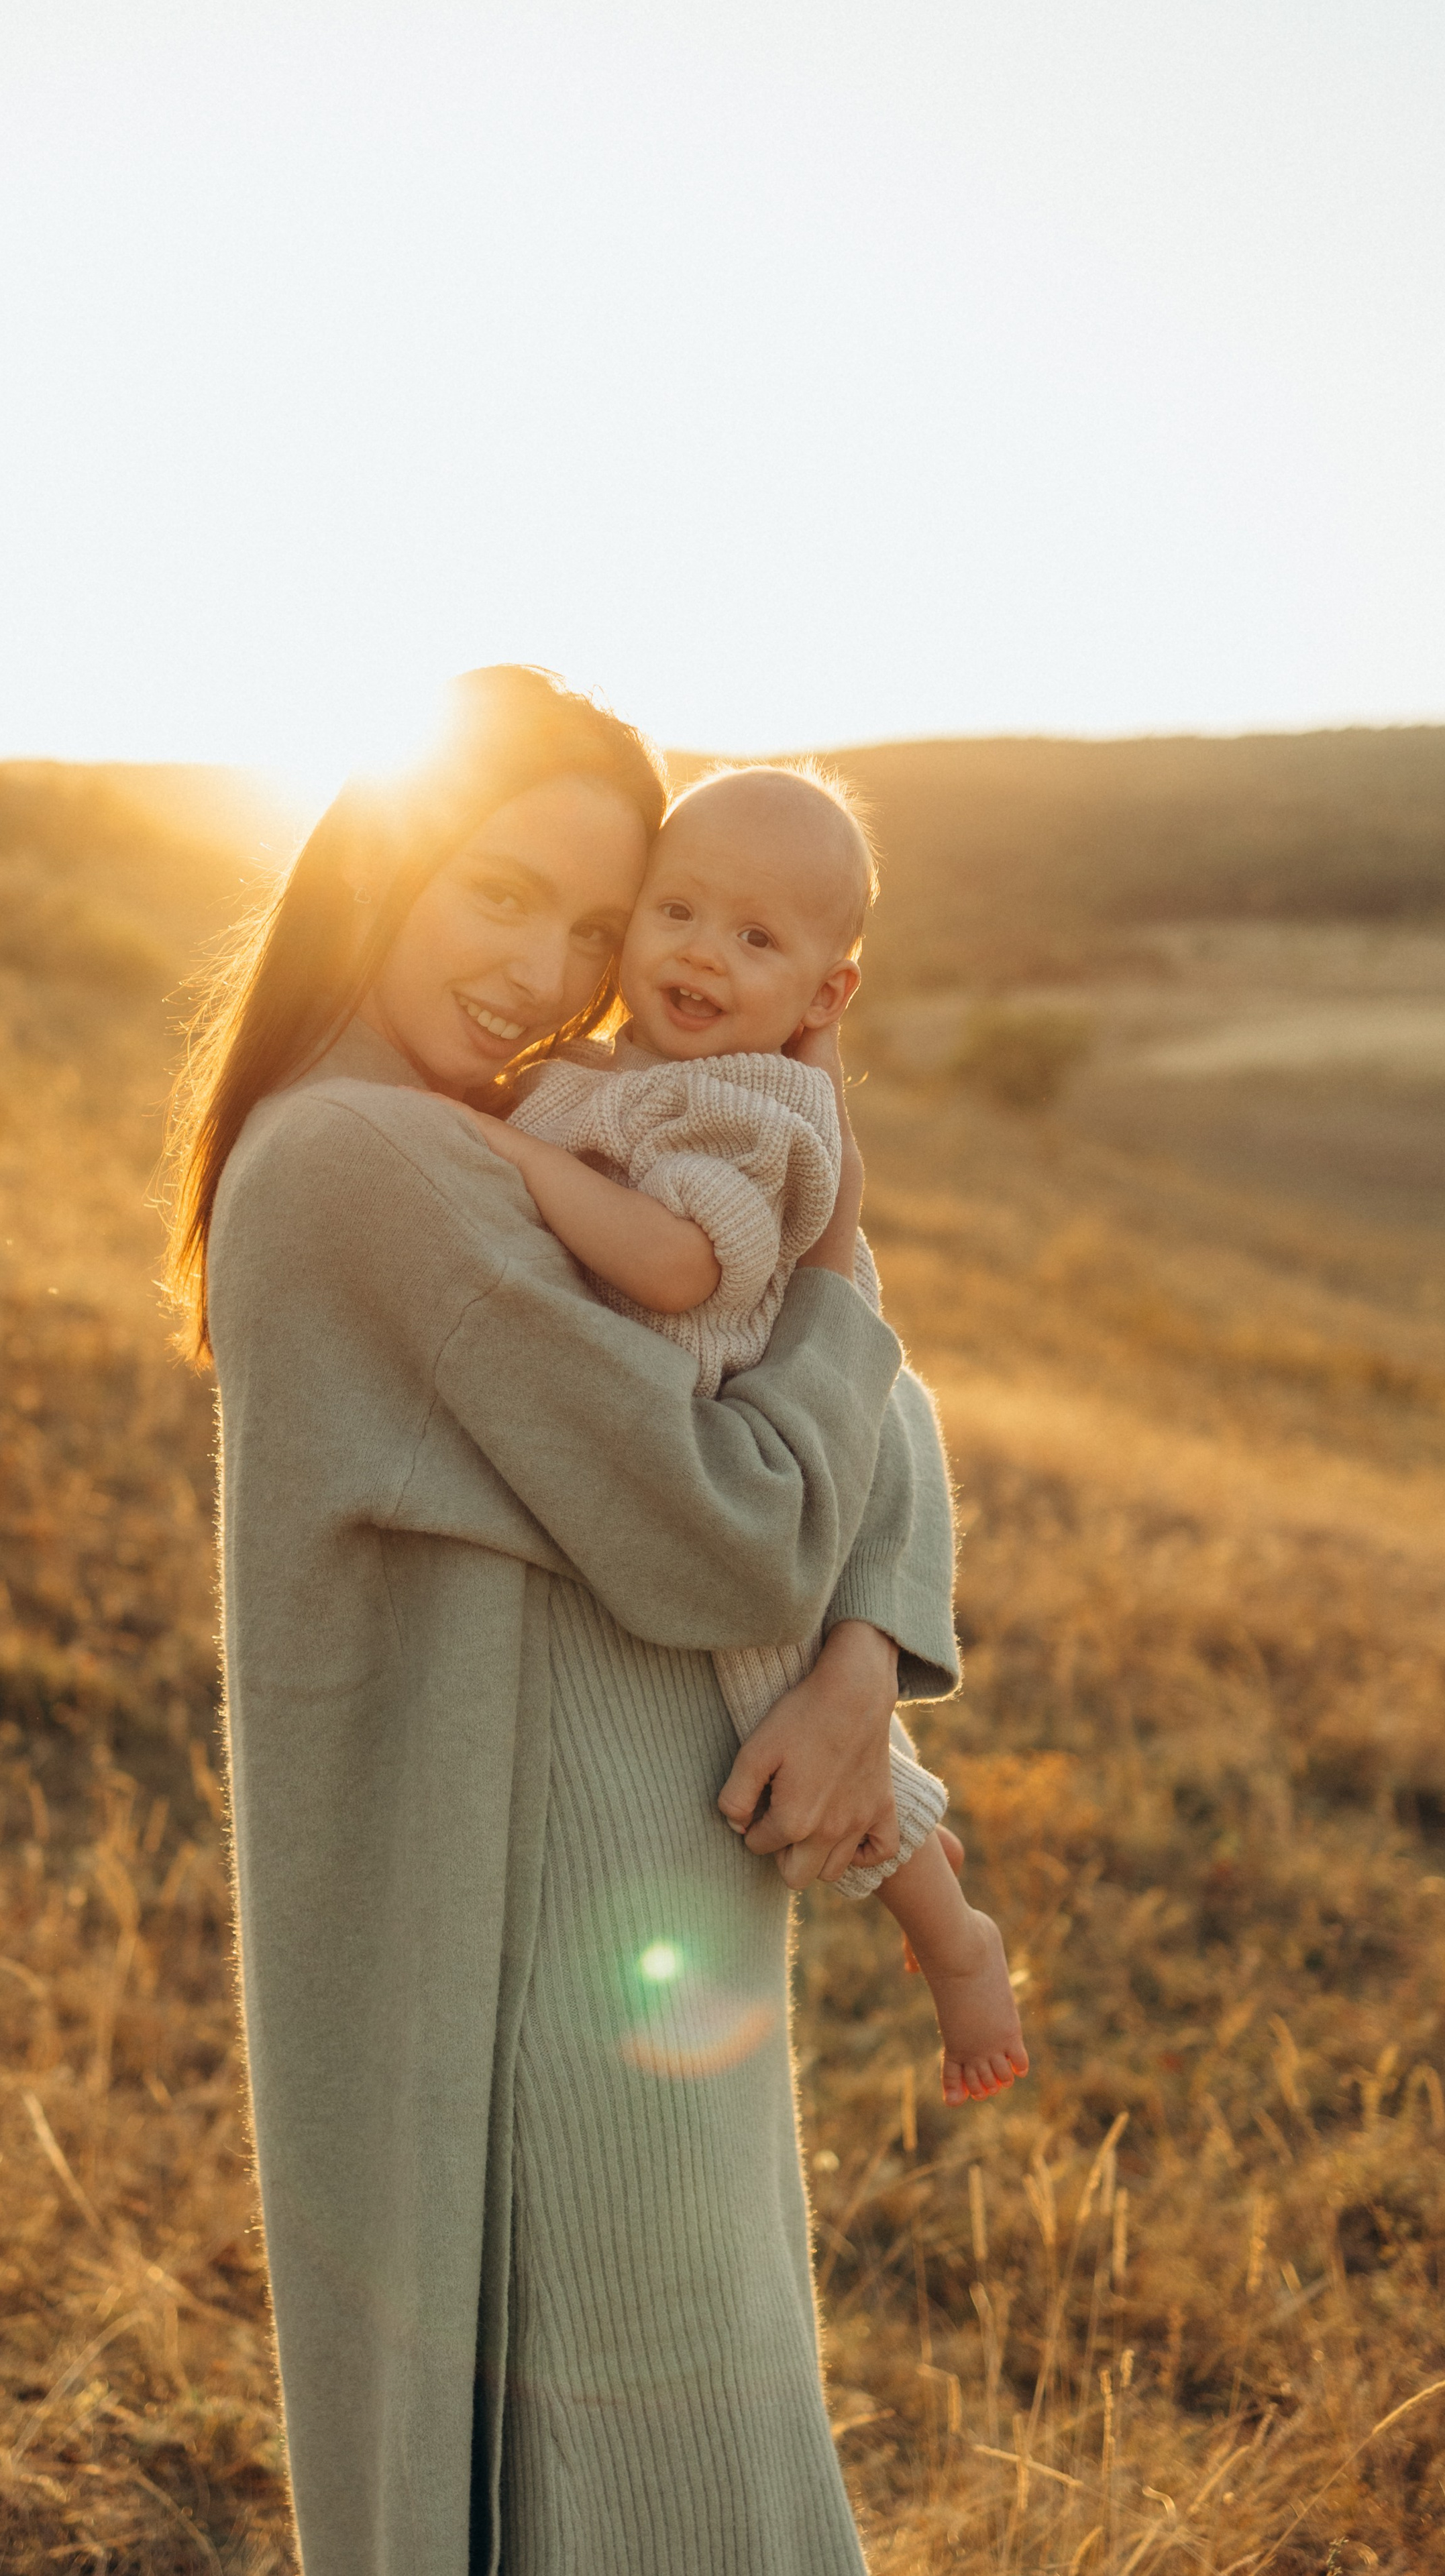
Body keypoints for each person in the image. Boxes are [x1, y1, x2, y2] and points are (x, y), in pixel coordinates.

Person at [165, 667, 963, 2576]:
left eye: (597, 928)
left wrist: (866, 1665)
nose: (548, 968)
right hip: (519, 1948)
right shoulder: (377, 1163)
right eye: (499, 891)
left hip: (638, 1903)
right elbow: (744, 1524)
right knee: (640, 2503)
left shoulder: (533, 1128)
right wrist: (842, 1259)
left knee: (706, 2470)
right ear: (383, 862)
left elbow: (878, 1419)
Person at [456, 761, 1027, 2105]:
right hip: (686, 1464)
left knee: (792, 1739)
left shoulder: (745, 1104)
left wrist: (511, 1158)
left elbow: (677, 1266)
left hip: (741, 1464)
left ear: (825, 995)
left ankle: (952, 1944)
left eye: (756, 939)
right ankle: (932, 1881)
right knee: (796, 1739)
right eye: (677, 912)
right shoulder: (605, 1075)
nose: (702, 954)